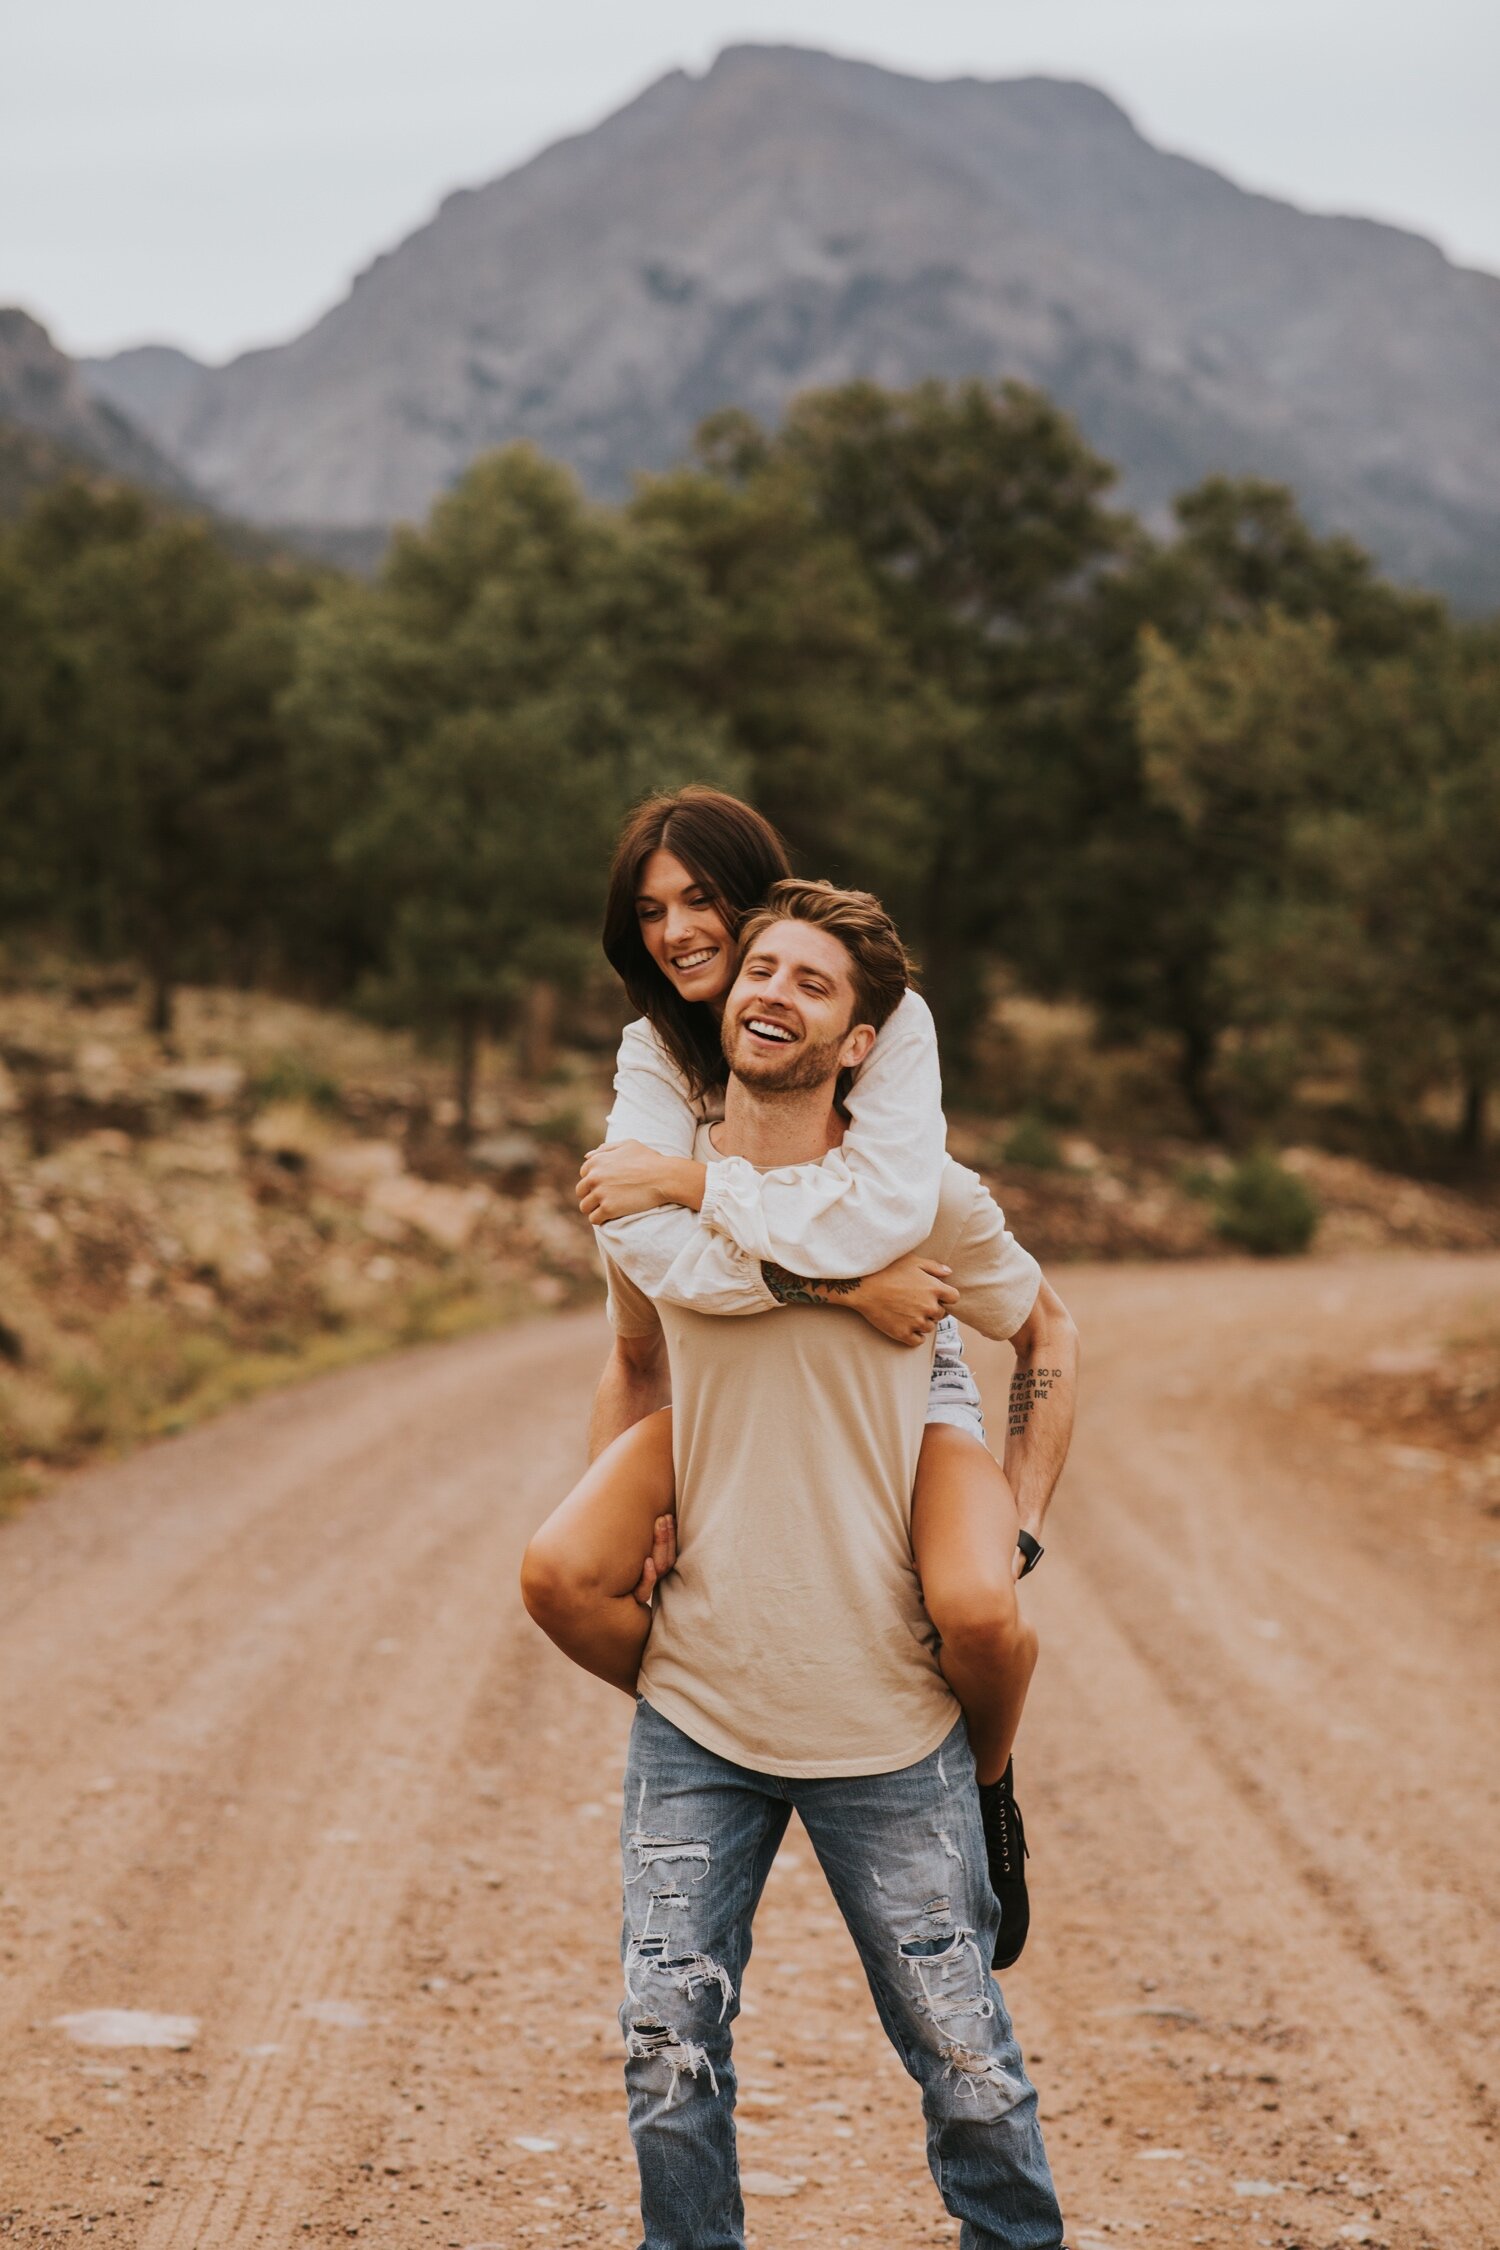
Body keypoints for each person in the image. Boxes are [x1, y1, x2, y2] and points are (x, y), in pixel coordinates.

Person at [522, 878, 1078, 2250]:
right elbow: (638, 1355)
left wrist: (1014, 1514)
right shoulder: (660, 1201)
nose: (771, 991)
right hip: (700, 1713)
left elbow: (1050, 1332)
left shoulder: (921, 1198)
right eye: (757, 967)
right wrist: (631, 1513)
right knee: (667, 2058)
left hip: (887, 1722)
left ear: (865, 1040)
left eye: (813, 982)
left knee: (967, 2066)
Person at [535, 786, 1047, 1962]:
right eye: (651, 910)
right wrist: (821, 1283)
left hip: (894, 1373)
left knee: (976, 1609)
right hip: (739, 1367)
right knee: (565, 1571)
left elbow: (882, 1215)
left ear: (755, 898)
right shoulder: (654, 1054)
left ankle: (983, 1780)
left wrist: (720, 1202)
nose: (677, 933)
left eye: (701, 899)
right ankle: (726, 1725)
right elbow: (652, 1264)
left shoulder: (884, 1023)